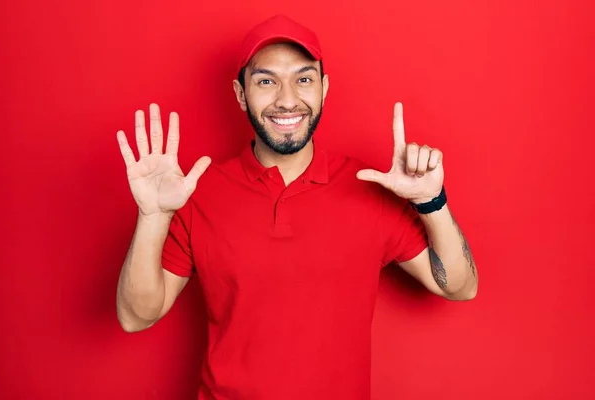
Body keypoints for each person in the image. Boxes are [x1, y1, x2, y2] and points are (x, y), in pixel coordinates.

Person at [115, 14, 478, 400]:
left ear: (324, 87)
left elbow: (459, 287)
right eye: (266, 81)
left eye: (303, 79)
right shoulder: (197, 194)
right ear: (240, 94)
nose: (287, 99)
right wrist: (153, 216)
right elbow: (135, 317)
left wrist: (430, 202)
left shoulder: (370, 189)